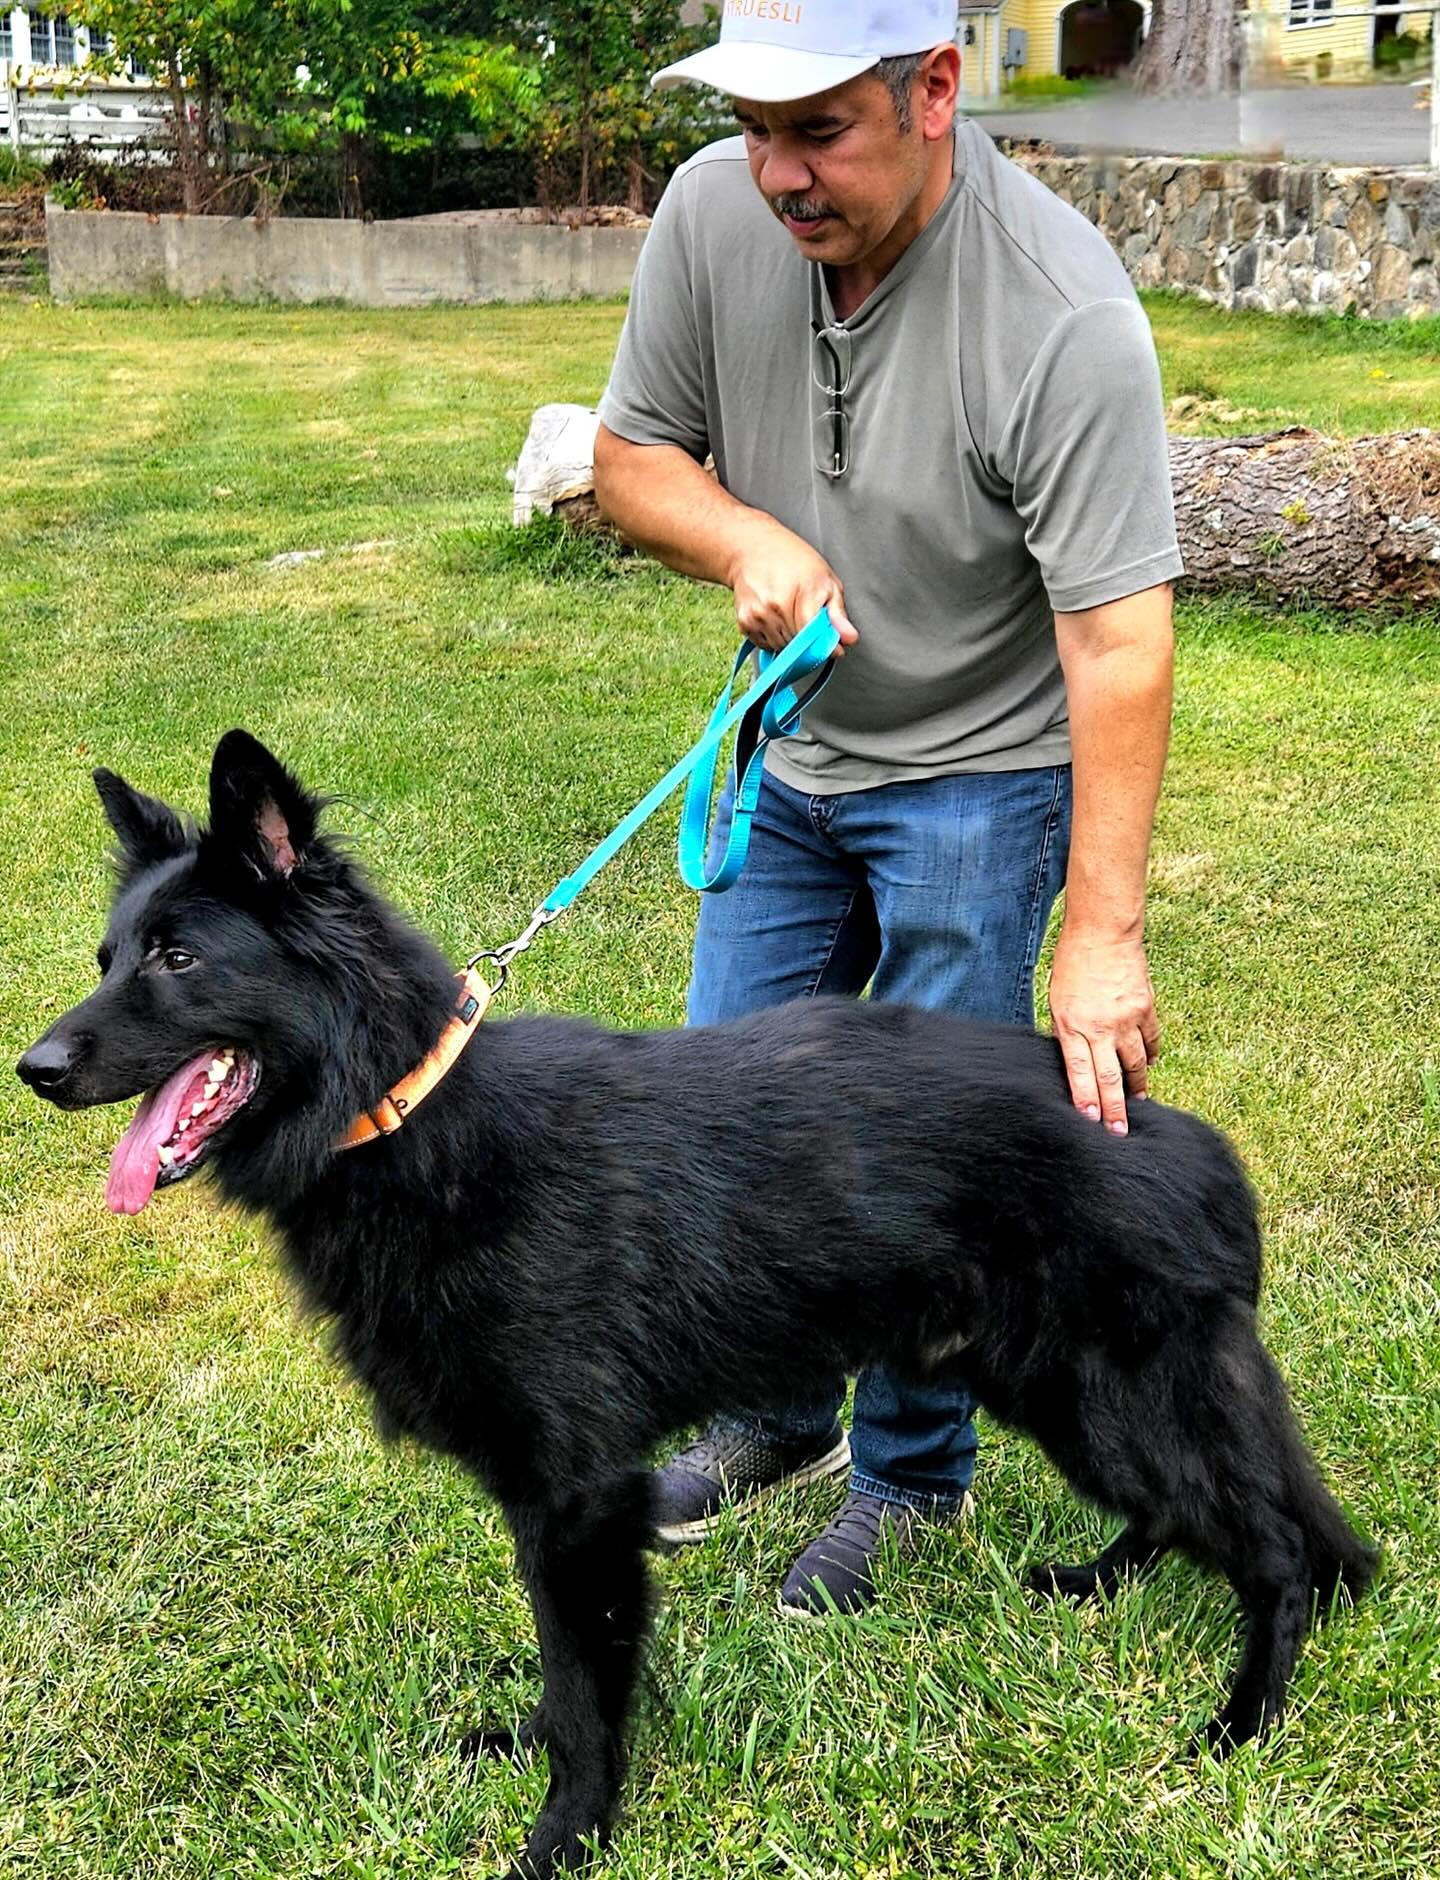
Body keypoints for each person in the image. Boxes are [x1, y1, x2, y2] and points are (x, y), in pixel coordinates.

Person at [592, 0, 1182, 1619]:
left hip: (981, 785)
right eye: (751, 128)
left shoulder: (1060, 312)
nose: (776, 174)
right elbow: (633, 454)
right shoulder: (712, 216)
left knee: (918, 1162)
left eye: (820, 130)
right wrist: (741, 542)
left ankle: (911, 1481)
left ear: (936, 90)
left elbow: (1120, 640)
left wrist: (1102, 936)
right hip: (793, 762)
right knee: (727, 1119)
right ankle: (778, 1413)